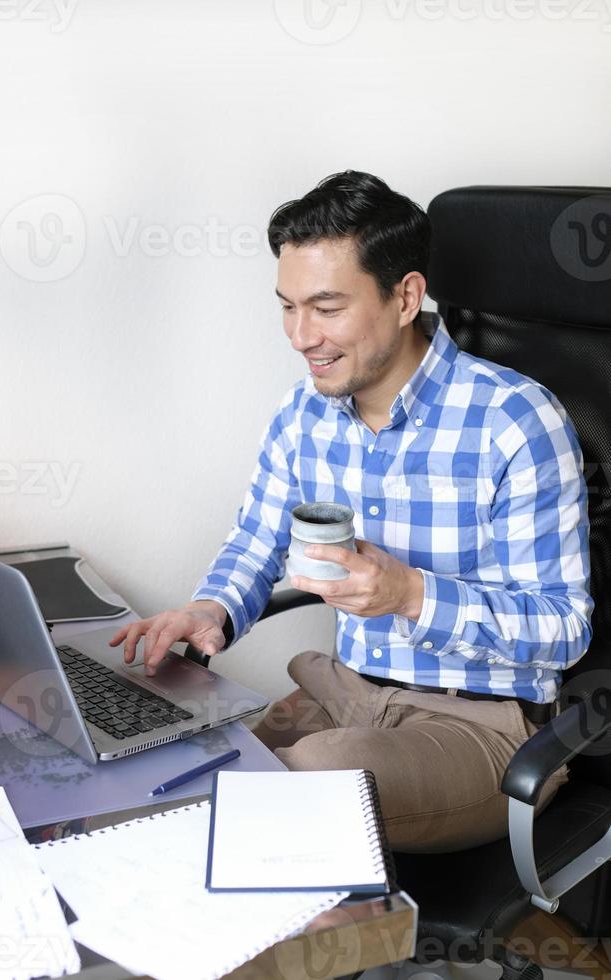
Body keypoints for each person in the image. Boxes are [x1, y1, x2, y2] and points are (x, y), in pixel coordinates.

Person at [110, 171, 593, 852]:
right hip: (349, 696)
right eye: (288, 306)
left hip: (483, 727)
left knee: (308, 781)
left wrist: (409, 593)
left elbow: (563, 629)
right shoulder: (303, 412)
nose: (301, 336)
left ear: (406, 297)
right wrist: (210, 610)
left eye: (327, 307)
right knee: (178, 777)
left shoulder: (515, 422)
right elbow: (257, 539)